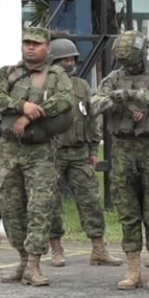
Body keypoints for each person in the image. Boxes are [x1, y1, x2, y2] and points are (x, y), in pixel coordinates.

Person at [91, 31, 149, 291]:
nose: (128, 67)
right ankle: (133, 270)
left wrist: (133, 96)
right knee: (127, 211)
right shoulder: (115, 77)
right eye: (124, 62)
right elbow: (94, 102)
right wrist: (113, 99)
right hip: (123, 148)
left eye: (131, 61)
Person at [0, 26, 74, 287]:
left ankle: (35, 264)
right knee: (11, 207)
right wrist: (21, 105)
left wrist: (34, 114)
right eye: (26, 42)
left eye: (36, 44)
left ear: (47, 48)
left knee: (39, 206)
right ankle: (23, 260)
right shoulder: (8, 73)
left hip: (39, 150)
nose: (30, 47)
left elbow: (65, 100)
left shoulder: (56, 75)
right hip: (9, 148)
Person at [46, 37, 121, 268]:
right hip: (52, 152)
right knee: (50, 201)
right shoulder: (43, 86)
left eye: (72, 59)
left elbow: (91, 119)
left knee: (90, 200)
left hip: (79, 153)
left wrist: (92, 148)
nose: (69, 64)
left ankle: (98, 248)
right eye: (63, 60)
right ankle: (56, 247)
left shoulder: (81, 86)